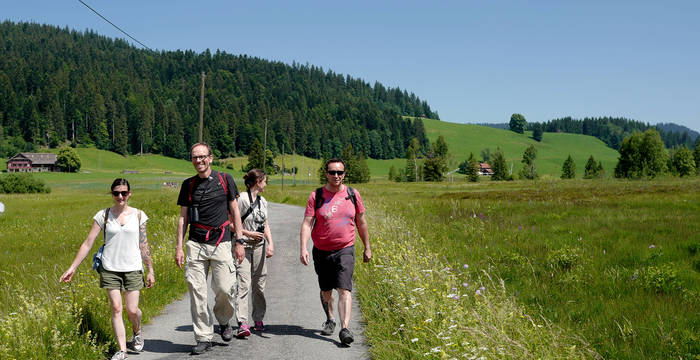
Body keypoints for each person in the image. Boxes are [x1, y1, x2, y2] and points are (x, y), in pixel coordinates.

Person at [60, 178, 154, 360]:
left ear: (129, 194)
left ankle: (137, 331)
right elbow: (88, 243)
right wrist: (72, 268)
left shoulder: (139, 215)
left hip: (133, 267)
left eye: (124, 193)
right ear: (111, 194)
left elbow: (144, 244)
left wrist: (150, 269)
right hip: (110, 267)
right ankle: (122, 350)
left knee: (132, 310)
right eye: (116, 193)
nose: (120, 196)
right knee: (116, 307)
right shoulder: (103, 215)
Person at [175, 142, 246, 355]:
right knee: (197, 292)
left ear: (211, 158)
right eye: (195, 157)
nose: (199, 161)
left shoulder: (225, 180)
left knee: (225, 288)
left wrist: (239, 241)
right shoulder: (188, 185)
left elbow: (234, 211)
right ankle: (203, 336)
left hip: (221, 242)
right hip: (196, 244)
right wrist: (179, 247)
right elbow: (182, 218)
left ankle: (224, 320)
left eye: (202, 156)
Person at [299, 158, 371, 345]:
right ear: (326, 174)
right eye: (332, 172)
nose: (336, 176)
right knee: (326, 290)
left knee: (344, 288)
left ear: (344, 174)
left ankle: (344, 328)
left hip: (345, 248)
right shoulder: (316, 196)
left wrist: (367, 247)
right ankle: (330, 319)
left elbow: (361, 222)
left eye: (340, 172)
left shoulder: (353, 194)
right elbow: (307, 224)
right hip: (322, 250)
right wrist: (303, 247)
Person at [234, 168, 274, 336]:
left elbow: (265, 224)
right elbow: (230, 224)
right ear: (258, 182)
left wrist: (270, 243)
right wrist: (247, 234)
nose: (266, 184)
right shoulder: (242, 199)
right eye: (265, 181)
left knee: (259, 285)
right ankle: (242, 322)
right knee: (243, 283)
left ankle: (258, 318)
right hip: (244, 245)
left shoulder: (263, 201)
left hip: (259, 246)